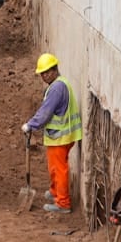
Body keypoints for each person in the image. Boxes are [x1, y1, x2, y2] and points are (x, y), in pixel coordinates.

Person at [21, 53, 80, 214]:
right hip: (61, 136)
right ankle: (55, 192)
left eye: (47, 72)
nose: (44, 76)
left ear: (55, 70)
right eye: (42, 73)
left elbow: (46, 112)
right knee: (54, 167)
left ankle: (63, 203)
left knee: (59, 169)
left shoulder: (56, 88)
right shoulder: (59, 84)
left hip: (60, 137)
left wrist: (31, 125)